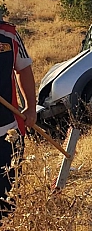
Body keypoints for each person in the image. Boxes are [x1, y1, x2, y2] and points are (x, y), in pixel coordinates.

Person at [0, 18, 37, 216]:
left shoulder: (8, 34)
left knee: (7, 199)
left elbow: (23, 69)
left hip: (8, 131)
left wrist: (31, 108)